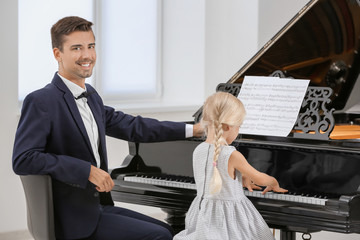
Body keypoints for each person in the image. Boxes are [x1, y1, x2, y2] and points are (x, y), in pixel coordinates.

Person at [12, 16, 202, 240]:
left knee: (170, 231)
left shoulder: (91, 97)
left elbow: (134, 126)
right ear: (57, 54)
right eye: (76, 48)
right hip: (71, 218)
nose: (87, 55)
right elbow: (23, 159)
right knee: (158, 236)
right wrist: (87, 171)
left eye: (90, 46)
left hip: (97, 208)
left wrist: (194, 129)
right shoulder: (41, 101)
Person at [173, 92, 287, 240]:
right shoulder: (231, 154)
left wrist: (241, 174)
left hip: (202, 217)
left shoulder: (198, 150)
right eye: (239, 126)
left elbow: (218, 171)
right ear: (227, 127)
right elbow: (259, 179)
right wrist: (273, 182)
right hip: (229, 221)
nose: (239, 130)